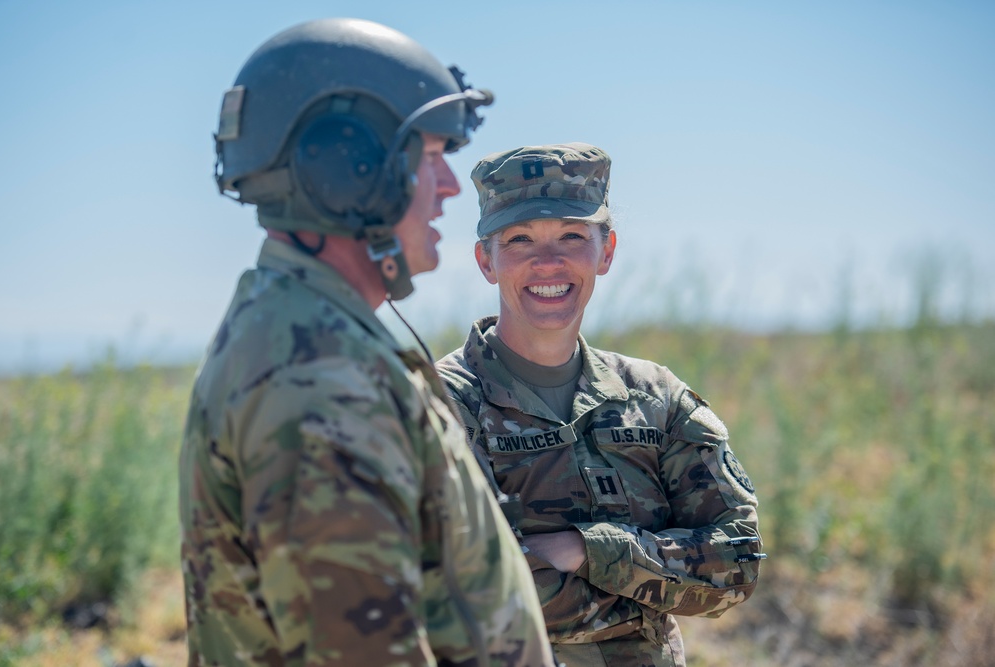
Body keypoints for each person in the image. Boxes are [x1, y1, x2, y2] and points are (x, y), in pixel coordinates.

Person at [178, 19, 558, 667]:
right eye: (432, 156)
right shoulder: (318, 380)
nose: (448, 188)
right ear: (346, 168)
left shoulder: (309, 334)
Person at [436, 143, 766, 667]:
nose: (549, 262)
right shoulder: (442, 404)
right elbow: (466, 586)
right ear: (486, 260)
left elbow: (738, 559)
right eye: (520, 239)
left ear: (606, 251)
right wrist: (652, 590)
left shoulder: (655, 398)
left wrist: (590, 550)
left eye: (572, 236)